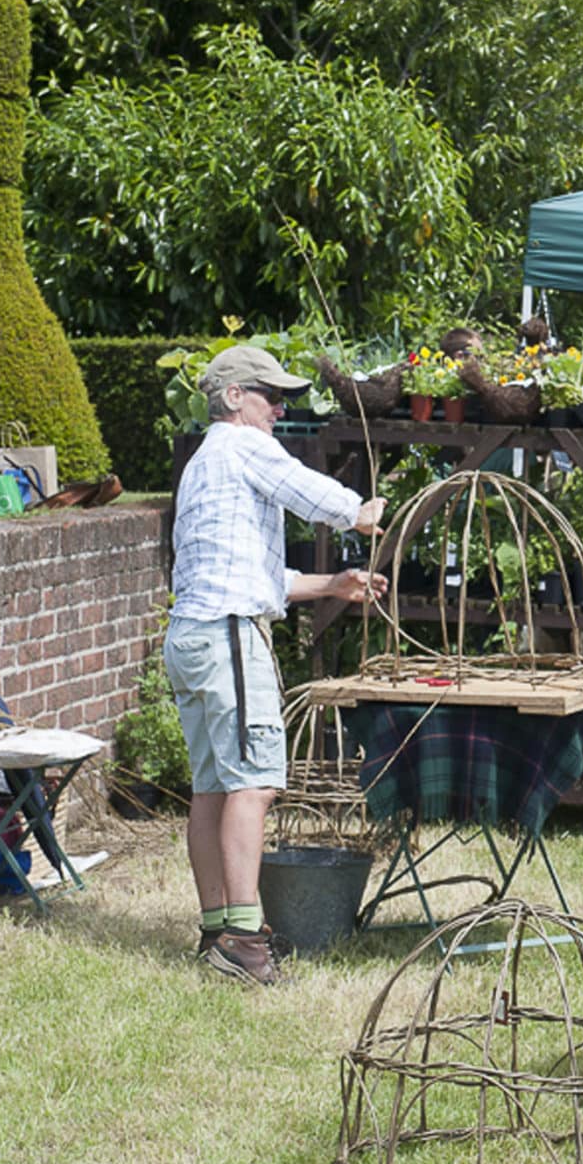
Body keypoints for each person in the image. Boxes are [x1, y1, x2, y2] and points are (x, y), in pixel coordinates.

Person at [167, 345, 388, 986]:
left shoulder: (207, 461)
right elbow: (306, 490)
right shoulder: (240, 446)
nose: (279, 408)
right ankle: (243, 940)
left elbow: (250, 572)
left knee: (214, 786)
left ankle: (217, 931)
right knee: (255, 784)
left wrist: (330, 586)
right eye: (271, 395)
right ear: (234, 397)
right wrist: (357, 509)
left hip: (196, 636)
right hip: (230, 637)